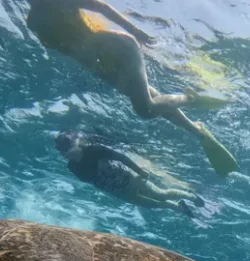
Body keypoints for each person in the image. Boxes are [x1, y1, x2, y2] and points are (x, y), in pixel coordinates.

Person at [26, 0, 239, 176]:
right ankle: (198, 131)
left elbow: (102, 8)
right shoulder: (33, 22)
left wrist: (137, 32)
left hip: (119, 48)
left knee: (145, 108)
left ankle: (194, 99)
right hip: (102, 64)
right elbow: (69, 50)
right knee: (149, 99)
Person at [56, 130, 206, 216]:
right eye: (62, 152)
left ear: (75, 144)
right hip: (120, 192)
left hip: (130, 178)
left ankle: (191, 196)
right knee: (152, 205)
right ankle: (179, 207)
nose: (66, 155)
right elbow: (91, 181)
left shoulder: (94, 150)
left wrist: (139, 171)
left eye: (67, 149)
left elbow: (121, 157)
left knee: (160, 194)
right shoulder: (72, 167)